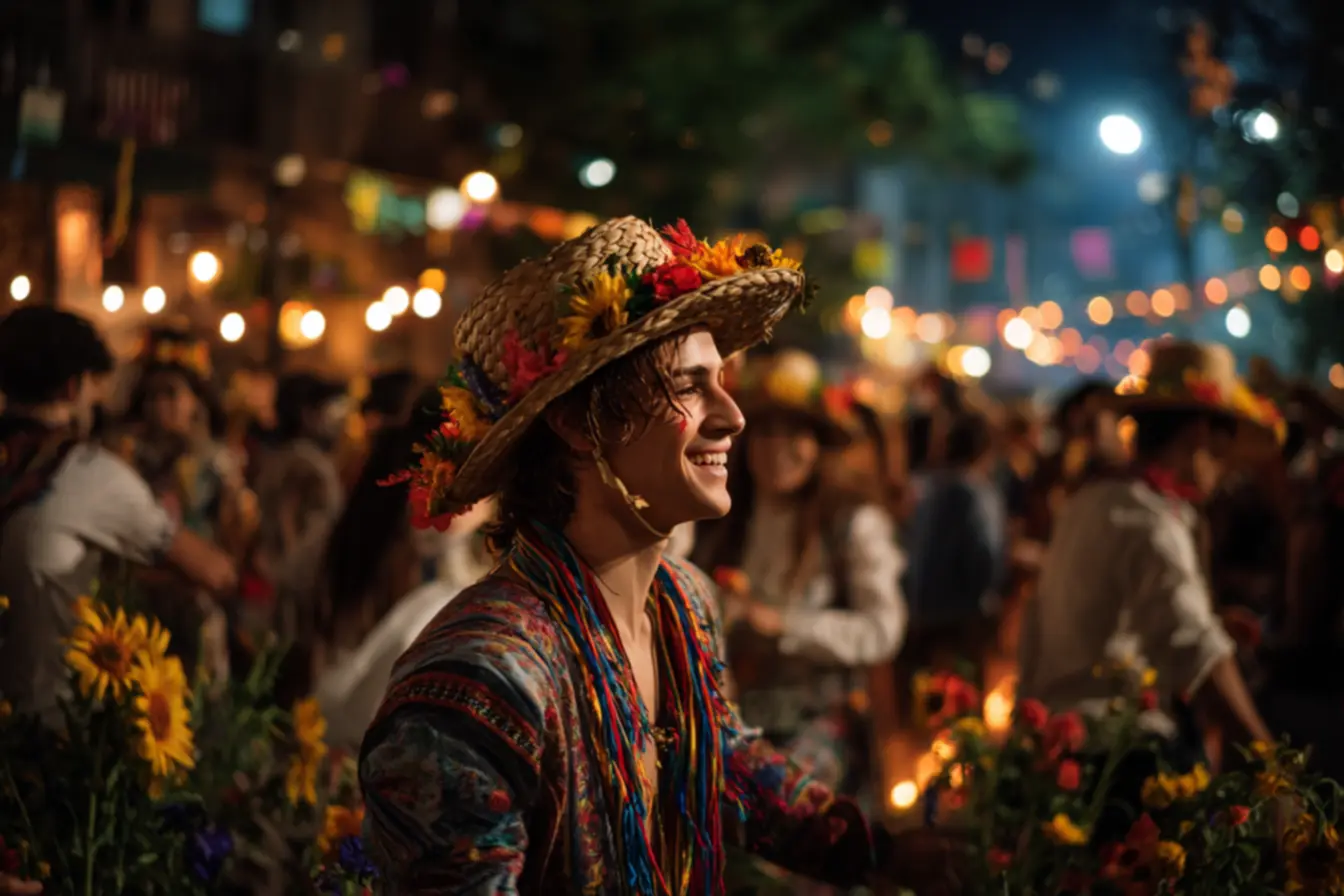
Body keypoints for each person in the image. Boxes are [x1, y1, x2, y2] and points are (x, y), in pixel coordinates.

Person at [358, 217, 956, 894]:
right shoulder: (481, 685)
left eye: (721, 382)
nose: (732, 418)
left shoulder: (682, 603)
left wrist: (890, 855)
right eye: (688, 385)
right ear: (579, 423)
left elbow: (719, 760)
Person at [1017, 342, 1274, 832]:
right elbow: (1198, 651)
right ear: (1200, 434)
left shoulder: (1090, 502)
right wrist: (1273, 764)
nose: (1222, 472)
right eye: (1222, 453)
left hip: (1058, 753)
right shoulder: (1148, 519)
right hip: (1120, 764)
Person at [0, 307, 236, 719]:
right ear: (74, 389)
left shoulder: (213, 462)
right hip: (44, 729)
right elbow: (215, 571)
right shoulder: (92, 472)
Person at [693, 349, 906, 797]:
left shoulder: (852, 522)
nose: (777, 449)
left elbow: (884, 630)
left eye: (795, 432)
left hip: (820, 728)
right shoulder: (725, 518)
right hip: (738, 721)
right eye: (766, 432)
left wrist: (786, 625)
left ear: (819, 443)